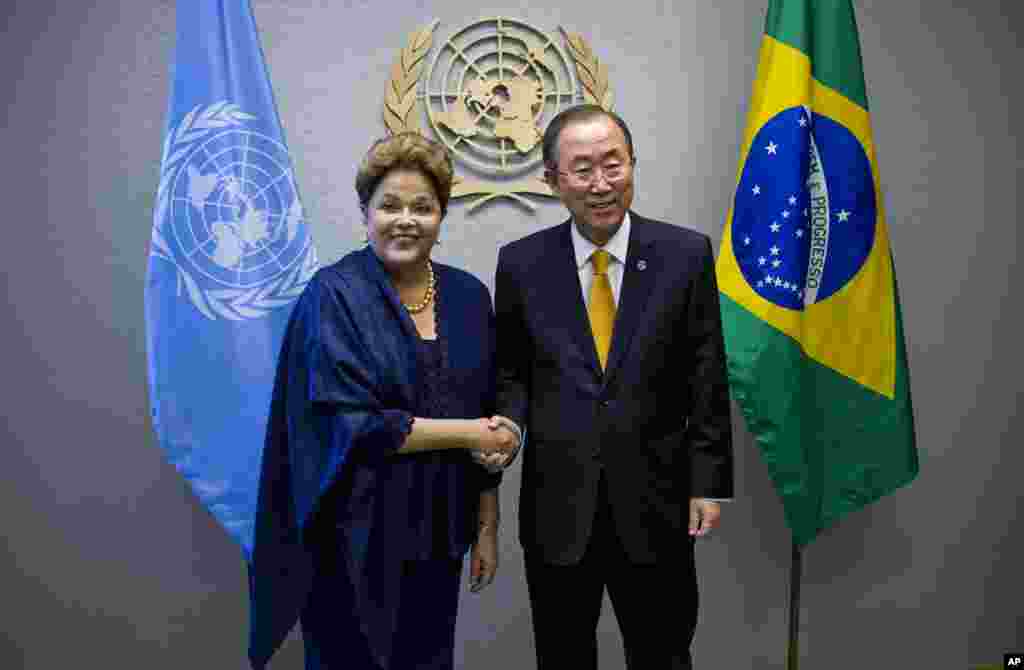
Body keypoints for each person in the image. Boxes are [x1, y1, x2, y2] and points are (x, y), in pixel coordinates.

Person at [248, 132, 520, 670]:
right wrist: (472, 433)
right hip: (351, 540)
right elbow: (357, 426)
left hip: (439, 536)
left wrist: (486, 526)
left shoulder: (468, 298)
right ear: (365, 212)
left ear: (441, 216)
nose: (405, 220)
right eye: (389, 205)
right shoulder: (332, 296)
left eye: (423, 207)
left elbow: (488, 406)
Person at [494, 105, 734, 669]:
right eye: (582, 169)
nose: (601, 183)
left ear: (632, 166)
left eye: (613, 164)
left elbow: (706, 374)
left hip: (656, 504)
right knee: (563, 656)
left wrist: (709, 482)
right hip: (558, 509)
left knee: (663, 654)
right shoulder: (521, 264)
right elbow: (512, 374)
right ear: (553, 180)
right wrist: (506, 426)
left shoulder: (686, 255)